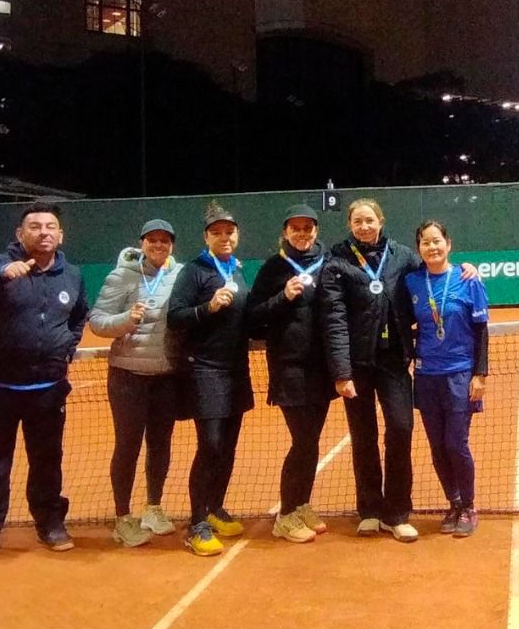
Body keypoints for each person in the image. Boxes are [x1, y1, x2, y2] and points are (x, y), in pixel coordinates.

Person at [0, 202, 86, 567]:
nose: (43, 232)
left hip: (47, 390)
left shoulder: (72, 275)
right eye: (35, 226)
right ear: (20, 233)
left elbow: (79, 316)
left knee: (47, 461)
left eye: (50, 226)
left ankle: (50, 524)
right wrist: (2, 271)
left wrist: (66, 347)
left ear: (60, 235)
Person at [320, 198, 423, 541]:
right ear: (349, 225)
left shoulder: (403, 257)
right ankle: (369, 510)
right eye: (357, 221)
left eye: (369, 220)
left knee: (400, 428)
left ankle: (397, 512)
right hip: (357, 365)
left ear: (381, 220)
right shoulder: (337, 261)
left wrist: (464, 270)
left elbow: (432, 275)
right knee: (363, 438)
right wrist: (341, 372)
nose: (364, 226)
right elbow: (334, 319)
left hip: (394, 361)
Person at [247, 203, 338, 544]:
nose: (302, 233)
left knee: (311, 442)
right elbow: (253, 318)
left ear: (316, 230)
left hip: (322, 369)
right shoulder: (273, 268)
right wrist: (282, 297)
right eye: (295, 228)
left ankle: (301, 504)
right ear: (285, 232)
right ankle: (285, 516)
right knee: (303, 441)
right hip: (289, 369)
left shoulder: (328, 262)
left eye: (307, 227)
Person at [167, 203, 253, 556]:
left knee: (228, 445)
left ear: (237, 234)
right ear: (206, 237)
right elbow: (175, 316)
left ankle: (215, 507)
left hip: (236, 370)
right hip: (205, 370)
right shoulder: (194, 271)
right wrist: (209, 308)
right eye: (216, 233)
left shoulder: (238, 270)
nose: (224, 237)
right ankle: (196, 523)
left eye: (229, 232)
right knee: (211, 446)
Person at [89, 218, 182, 547]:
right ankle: (123, 517)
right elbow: (97, 321)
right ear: (142, 243)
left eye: (164, 240)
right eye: (152, 240)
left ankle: (153, 508)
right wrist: (125, 320)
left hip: (165, 375)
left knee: (160, 444)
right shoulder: (121, 276)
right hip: (127, 376)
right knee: (127, 446)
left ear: (171, 245)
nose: (158, 245)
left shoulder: (180, 274)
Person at [403, 220, 489, 537]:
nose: (432, 247)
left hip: (460, 374)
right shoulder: (412, 282)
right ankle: (453, 504)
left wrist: (480, 374)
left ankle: (469, 506)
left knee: (456, 443)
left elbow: (481, 330)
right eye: (425, 242)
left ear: (448, 244)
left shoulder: (468, 280)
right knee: (438, 446)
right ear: (419, 249)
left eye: (437, 240)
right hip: (426, 375)